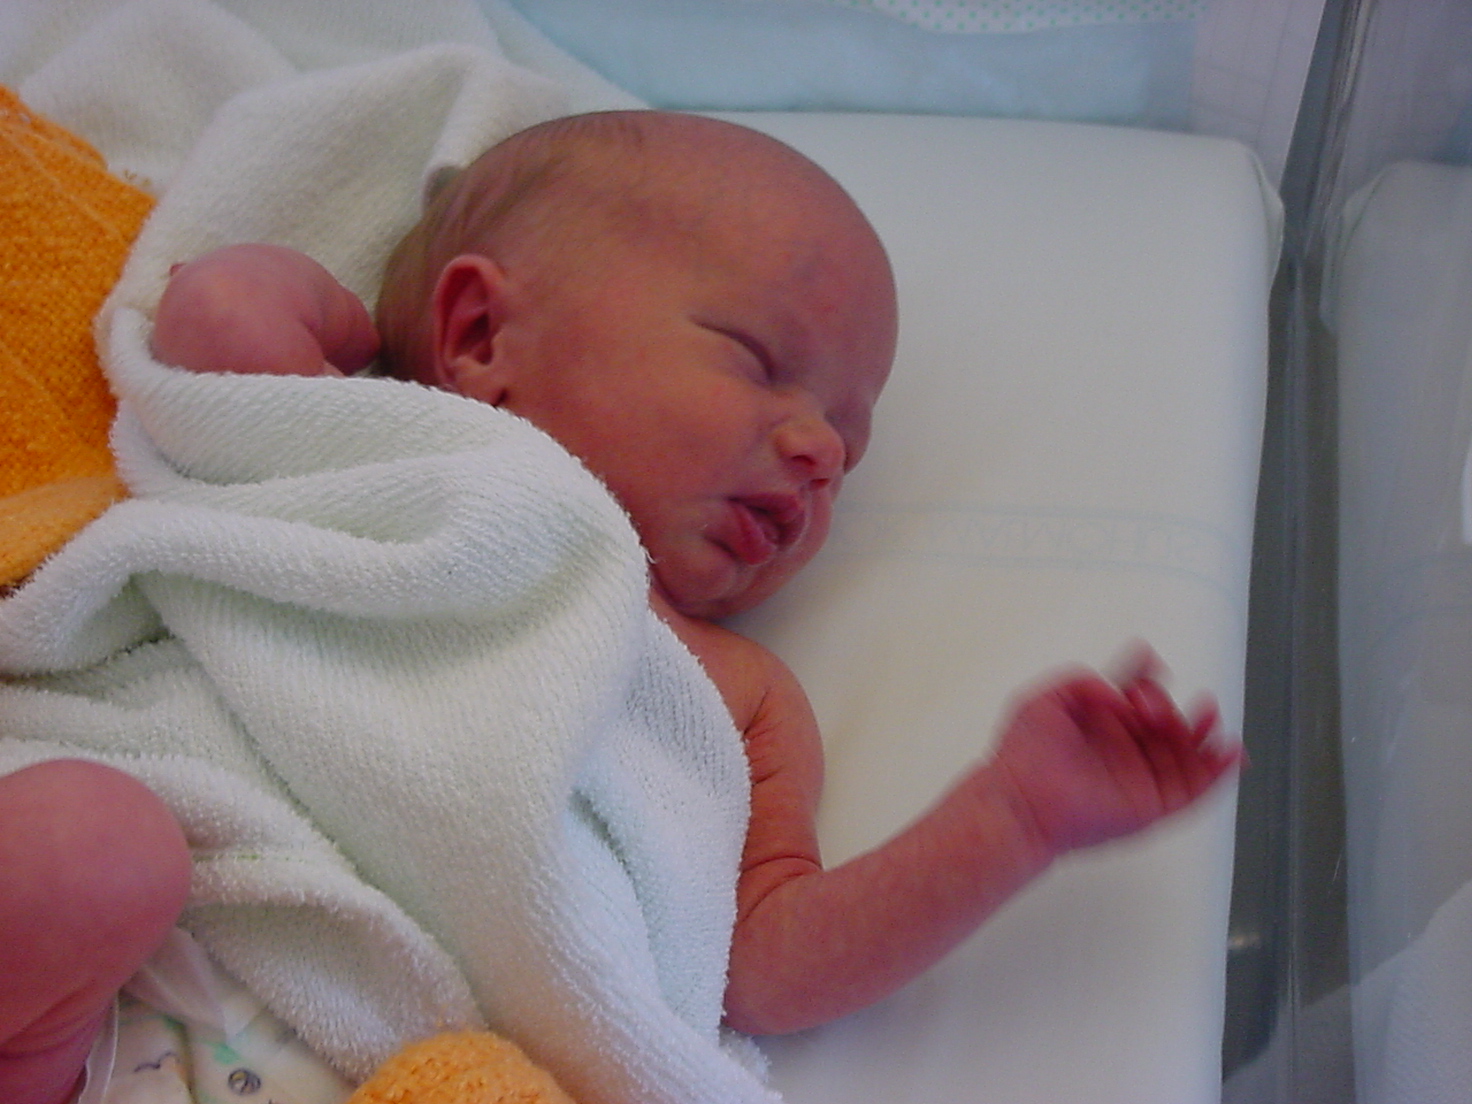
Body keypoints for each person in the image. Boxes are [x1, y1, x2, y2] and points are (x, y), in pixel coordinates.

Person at [0, 110, 1239, 1103]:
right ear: (479, 334)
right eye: (758, 361)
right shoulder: (378, 447)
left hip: (395, 1061)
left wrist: (1010, 817)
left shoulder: (739, 694)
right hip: (144, 952)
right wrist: (351, 319)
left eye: (848, 448)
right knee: (90, 849)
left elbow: (768, 967)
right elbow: (214, 318)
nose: (819, 451)